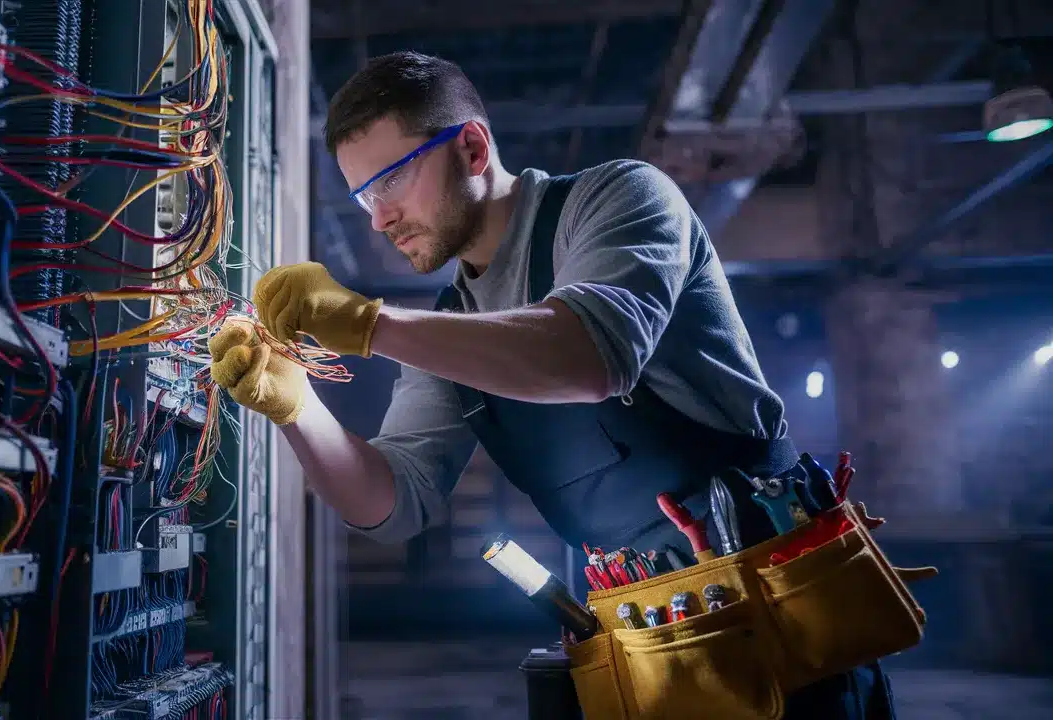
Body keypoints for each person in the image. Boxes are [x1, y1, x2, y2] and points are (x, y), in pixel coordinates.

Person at [209, 51, 897, 718]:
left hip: (786, 629)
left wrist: (368, 322)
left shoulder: (620, 199)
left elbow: (591, 354)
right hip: (646, 646)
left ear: (472, 149)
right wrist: (299, 409)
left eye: (390, 180)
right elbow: (394, 504)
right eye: (362, 195)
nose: (377, 218)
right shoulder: (449, 327)